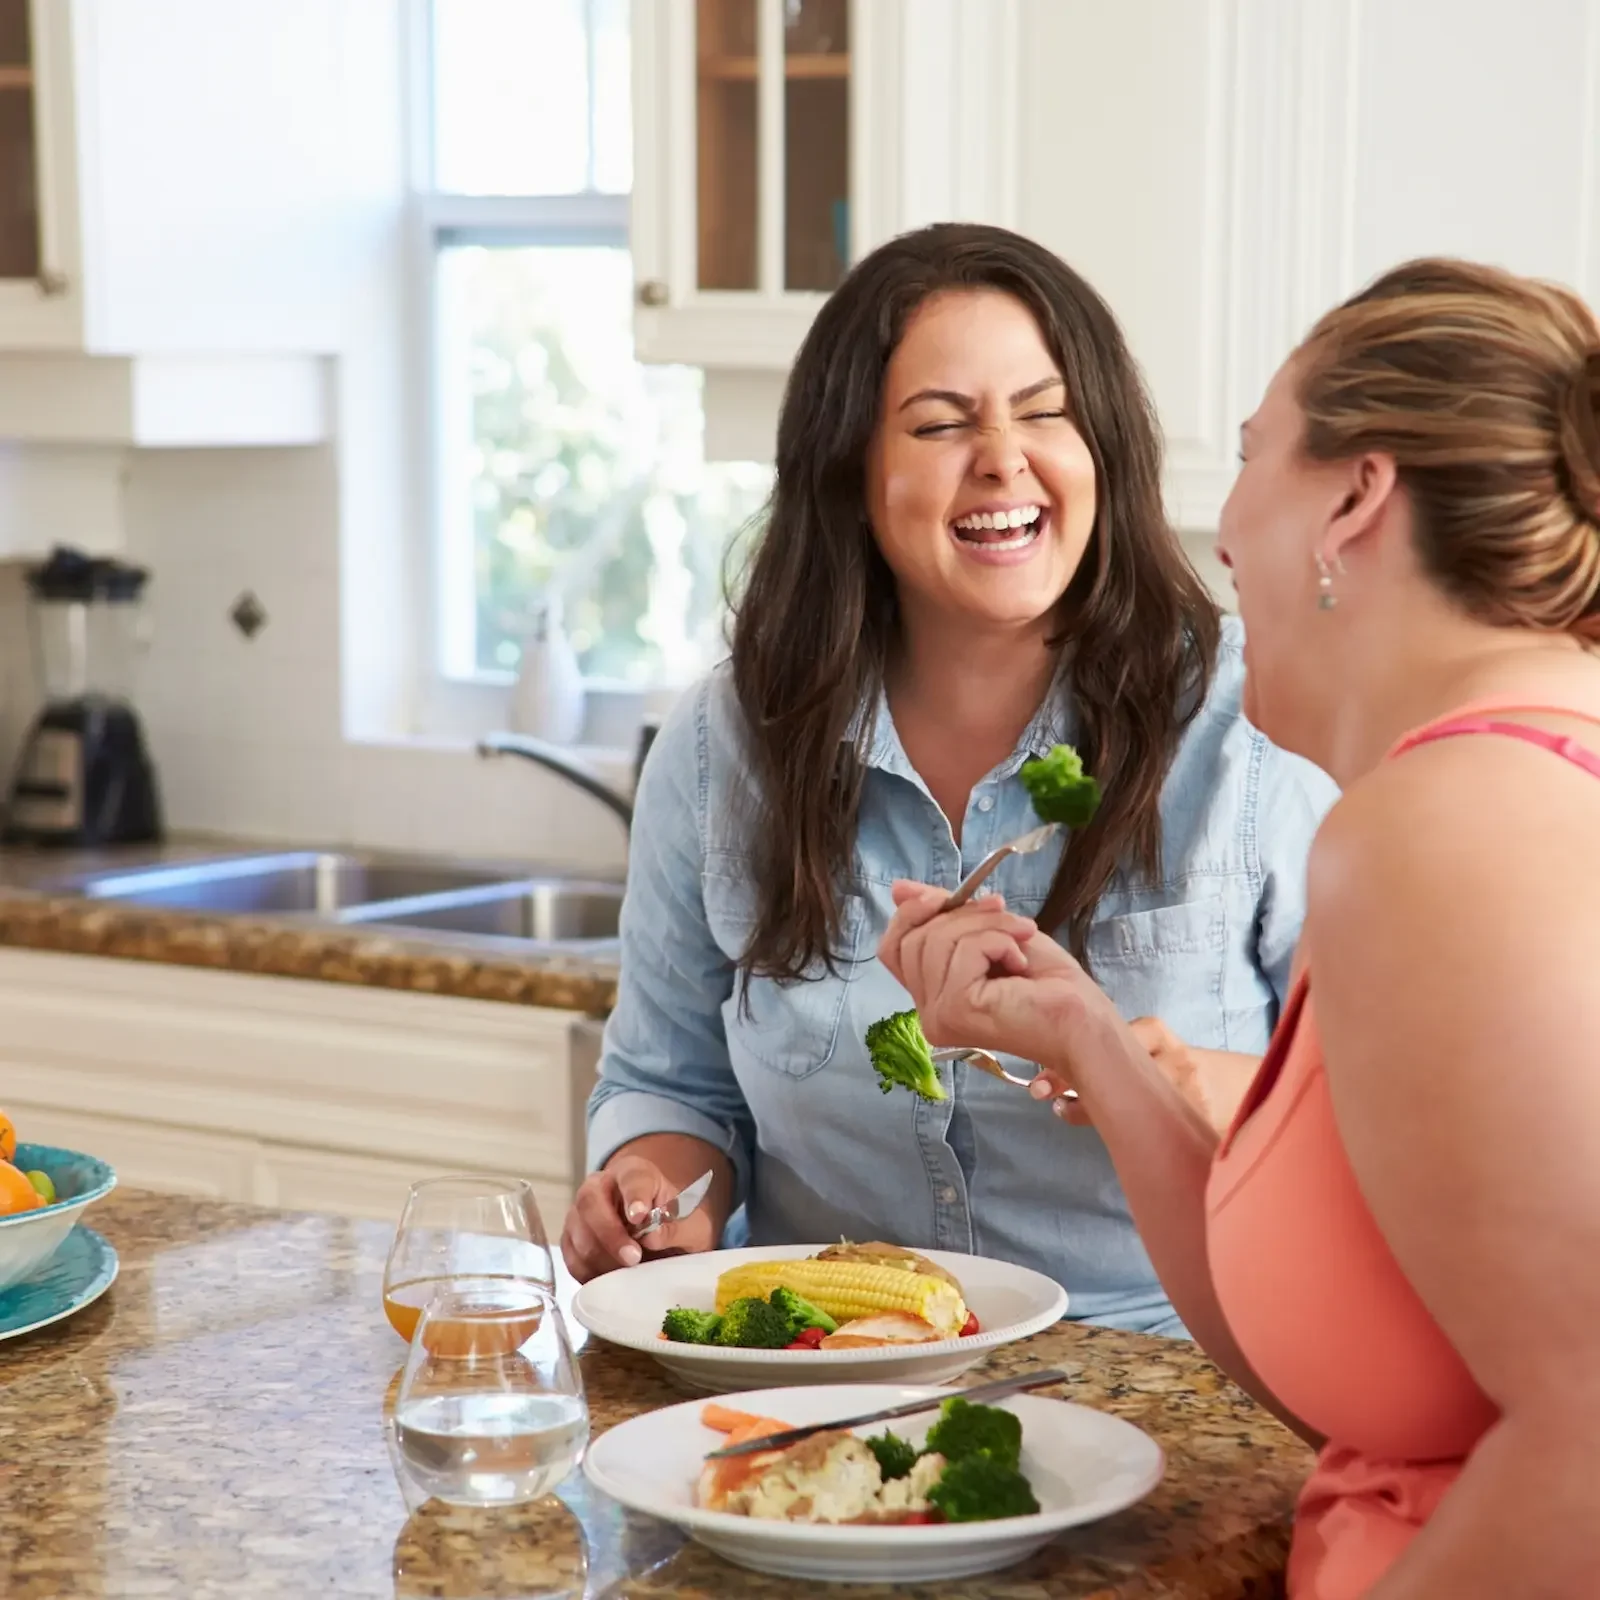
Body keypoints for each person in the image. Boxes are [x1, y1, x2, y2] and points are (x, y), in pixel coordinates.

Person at [880, 258, 1600, 1595]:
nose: (1219, 527)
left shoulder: (1443, 837)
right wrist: (1086, 1037)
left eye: (1254, 452)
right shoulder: (1468, 795)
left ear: (1353, 499)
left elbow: (1589, 1445)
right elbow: (1349, 1367)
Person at [560, 222, 1336, 1337]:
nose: (1003, 459)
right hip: (828, 1373)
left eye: (1044, 411)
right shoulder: (724, 743)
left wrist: (1136, 1070)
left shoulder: (1252, 726)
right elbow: (672, 1084)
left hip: (1176, 1363)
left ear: (1102, 447)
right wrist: (650, 1191)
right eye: (940, 424)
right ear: (851, 474)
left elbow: (1365, 1117)